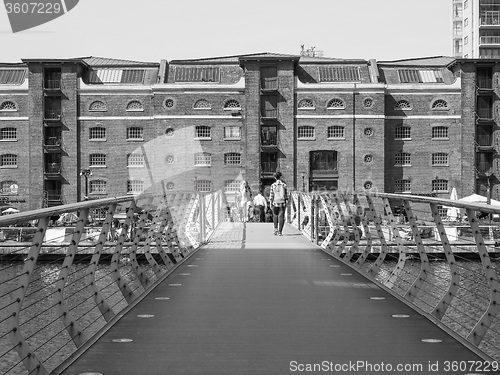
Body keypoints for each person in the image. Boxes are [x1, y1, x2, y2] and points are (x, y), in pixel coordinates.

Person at [269, 171, 288, 235]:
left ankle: (275, 229)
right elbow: (286, 195)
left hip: (275, 202)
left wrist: (270, 203)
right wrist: (286, 202)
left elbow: (271, 195)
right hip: (282, 203)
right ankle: (280, 231)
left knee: (275, 215)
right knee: (281, 216)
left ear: (275, 177)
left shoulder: (273, 185)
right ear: (280, 177)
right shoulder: (284, 185)